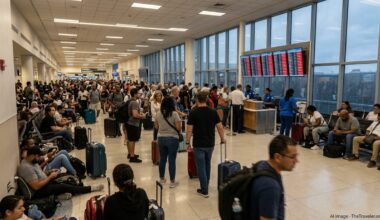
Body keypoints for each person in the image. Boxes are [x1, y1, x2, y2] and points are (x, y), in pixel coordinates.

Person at [17, 147, 104, 200]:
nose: (39, 158)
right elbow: (36, 187)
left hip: (45, 182)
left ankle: (70, 190)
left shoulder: (31, 162)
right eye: (38, 156)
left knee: (65, 178)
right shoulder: (26, 168)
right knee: (64, 186)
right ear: (32, 155)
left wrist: (48, 172)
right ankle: (91, 188)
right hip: (39, 191)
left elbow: (39, 173)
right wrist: (50, 177)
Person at [186, 91, 225, 198]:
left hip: (199, 144)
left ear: (197, 99)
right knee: (207, 164)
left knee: (201, 167)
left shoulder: (194, 112)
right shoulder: (213, 111)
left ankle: (204, 190)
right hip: (210, 143)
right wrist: (223, 139)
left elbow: (189, 130)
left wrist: (187, 142)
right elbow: (220, 127)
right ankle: (205, 185)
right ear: (207, 99)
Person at [249, 135, 298, 220]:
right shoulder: (270, 186)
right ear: (277, 157)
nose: (296, 160)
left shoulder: (263, 164)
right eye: (292, 157)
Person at [154, 97, 181, 188]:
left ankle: (162, 179)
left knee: (162, 159)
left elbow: (156, 126)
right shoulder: (174, 114)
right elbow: (178, 128)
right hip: (172, 138)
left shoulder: (158, 113)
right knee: (172, 160)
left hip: (161, 138)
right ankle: (172, 181)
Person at [126, 88, 145, 163]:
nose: (140, 94)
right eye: (138, 93)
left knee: (130, 139)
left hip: (129, 123)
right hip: (132, 123)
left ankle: (131, 153)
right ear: (134, 94)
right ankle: (132, 157)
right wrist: (142, 116)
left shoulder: (130, 101)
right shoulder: (134, 103)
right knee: (132, 140)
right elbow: (134, 115)